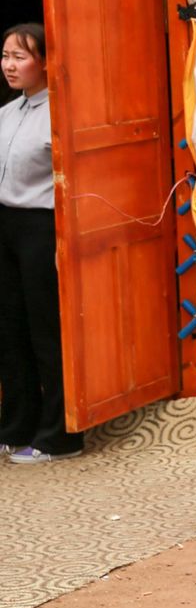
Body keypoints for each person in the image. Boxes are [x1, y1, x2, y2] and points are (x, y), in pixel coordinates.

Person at [0, 25, 75, 464]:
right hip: (6, 226)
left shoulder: (61, 115)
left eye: (20, 57)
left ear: (45, 62)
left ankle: (58, 435)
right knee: (10, 330)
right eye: (5, 55)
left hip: (42, 227)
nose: (10, 65)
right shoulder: (8, 113)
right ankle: (15, 426)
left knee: (46, 331)